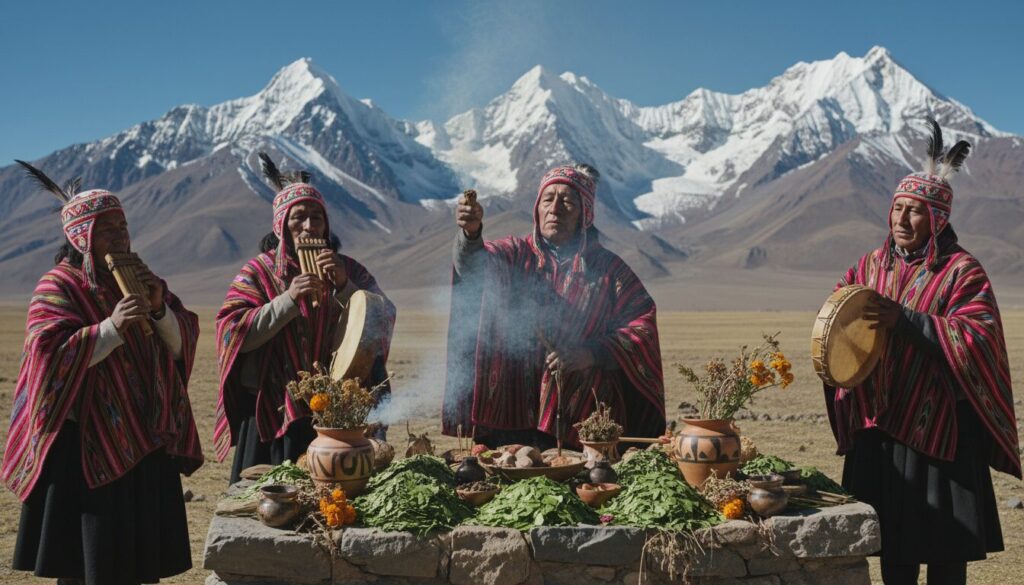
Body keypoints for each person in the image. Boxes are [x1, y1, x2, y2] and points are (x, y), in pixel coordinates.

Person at [824, 119, 1020, 585]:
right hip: (883, 426)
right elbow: (836, 320)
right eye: (898, 209)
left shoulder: (962, 272)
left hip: (942, 432)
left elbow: (978, 337)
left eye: (915, 212)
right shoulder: (868, 266)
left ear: (937, 218)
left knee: (945, 550)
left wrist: (907, 320)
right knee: (892, 547)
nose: (902, 220)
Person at [3, 161, 204, 585]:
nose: (121, 236)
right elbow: (47, 356)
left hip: (145, 438)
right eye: (108, 229)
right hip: (85, 449)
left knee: (136, 560)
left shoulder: (145, 280)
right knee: (87, 565)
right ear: (82, 236)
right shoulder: (57, 286)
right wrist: (111, 328)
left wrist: (157, 308)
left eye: (123, 226)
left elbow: (182, 340)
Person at [442, 164, 665, 449]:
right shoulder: (514, 254)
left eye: (567, 202)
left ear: (584, 215)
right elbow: (474, 268)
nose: (555, 209)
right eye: (548, 199)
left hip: (583, 414)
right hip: (511, 408)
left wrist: (592, 353)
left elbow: (641, 324)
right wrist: (471, 235)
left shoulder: (609, 271)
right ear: (537, 208)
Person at [214, 153, 394, 483]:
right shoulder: (258, 272)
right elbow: (230, 330)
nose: (309, 226)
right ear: (281, 224)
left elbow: (384, 318)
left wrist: (345, 288)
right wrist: (288, 300)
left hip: (337, 411)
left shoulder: (349, 269)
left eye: (317, 218)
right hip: (273, 410)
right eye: (299, 218)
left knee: (337, 500)